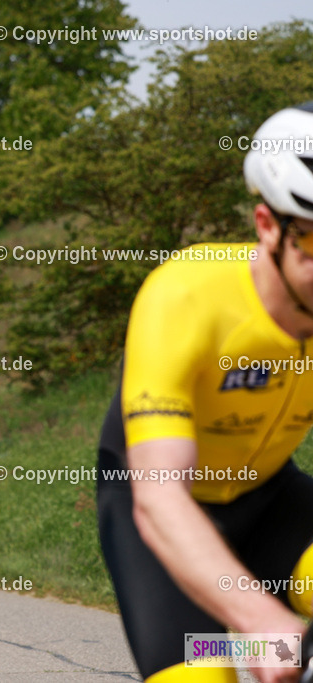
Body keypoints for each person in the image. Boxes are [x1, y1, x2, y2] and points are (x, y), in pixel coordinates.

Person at [97, 102, 313, 683]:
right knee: (203, 672)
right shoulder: (185, 298)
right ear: (267, 225)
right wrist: (259, 617)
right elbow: (160, 496)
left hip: (271, 502)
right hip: (161, 517)